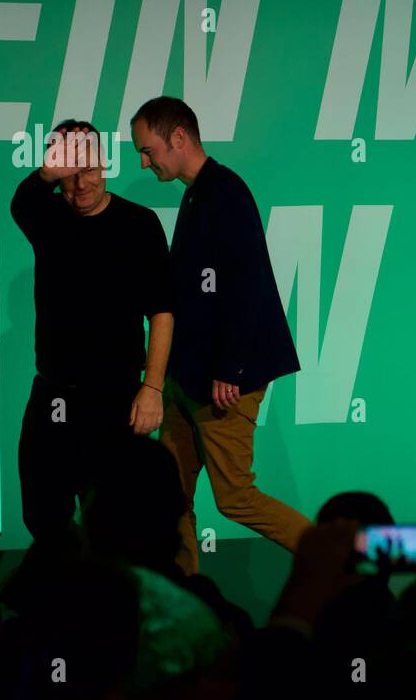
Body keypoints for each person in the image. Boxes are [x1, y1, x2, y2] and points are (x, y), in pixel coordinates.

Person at [130, 97, 310, 575]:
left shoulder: (225, 192)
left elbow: (249, 283)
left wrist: (230, 368)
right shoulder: (195, 194)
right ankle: (183, 596)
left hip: (224, 381)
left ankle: (335, 559)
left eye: (148, 151)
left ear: (179, 138)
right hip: (188, 380)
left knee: (235, 498)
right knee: (171, 497)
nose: (145, 163)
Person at [11, 120, 173, 544]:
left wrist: (152, 388)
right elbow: (22, 200)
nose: (80, 184)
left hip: (118, 398)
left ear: (105, 164)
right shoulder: (48, 217)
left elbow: (162, 312)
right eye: (69, 174)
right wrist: (49, 171)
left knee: (121, 527)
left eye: (88, 169)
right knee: (45, 520)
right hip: (55, 396)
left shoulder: (140, 224)